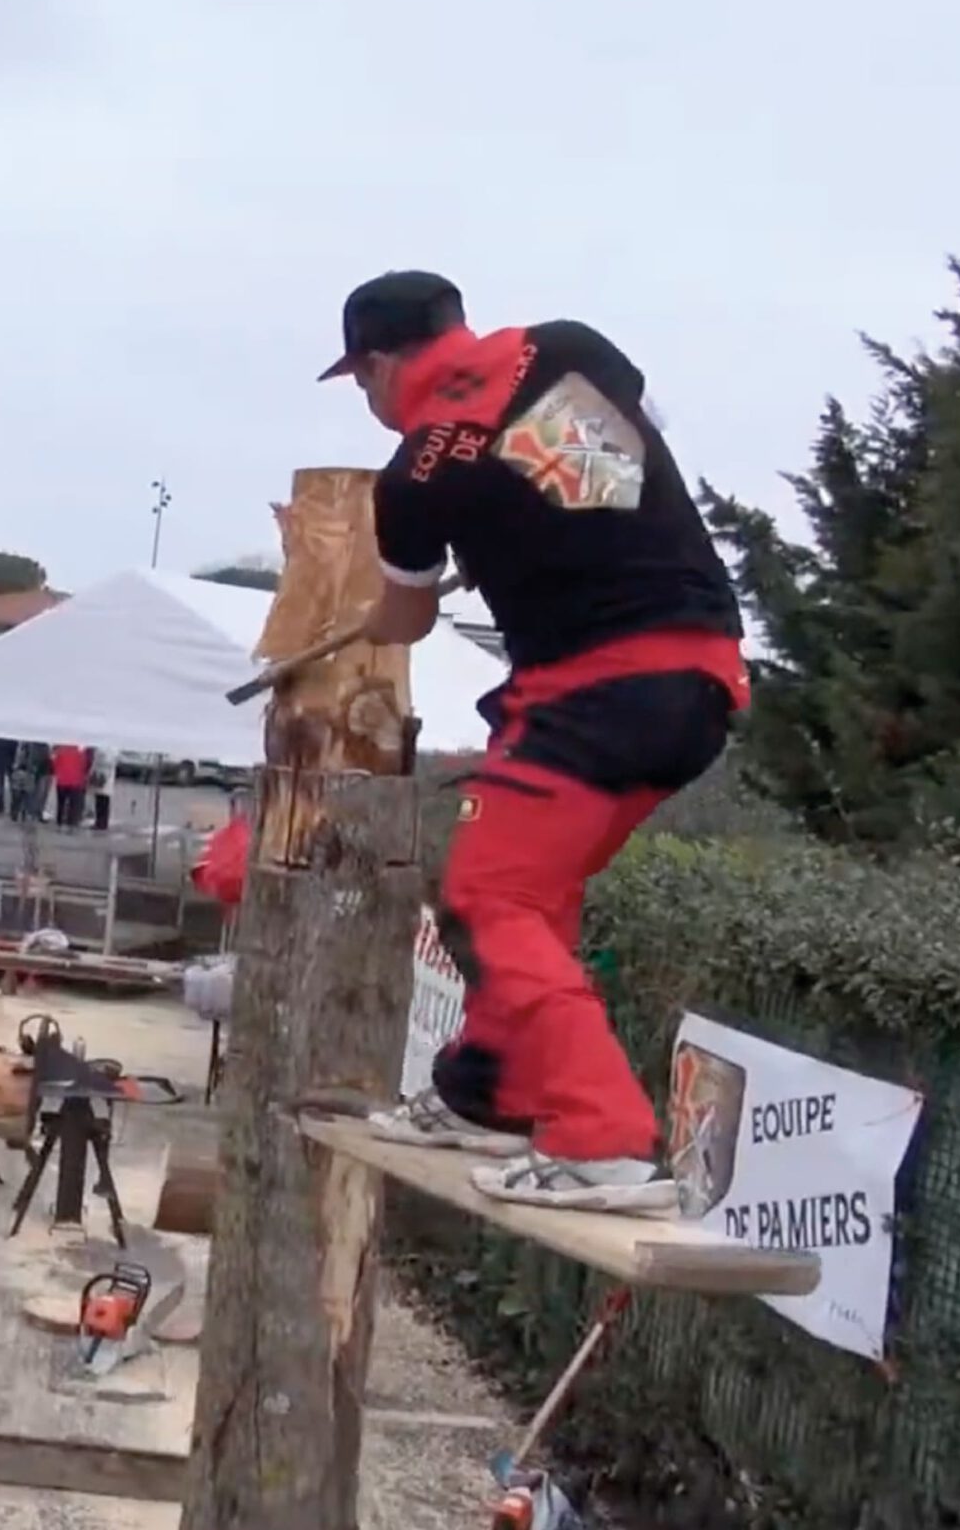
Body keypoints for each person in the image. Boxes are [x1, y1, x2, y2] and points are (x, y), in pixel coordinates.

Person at [329, 270, 748, 1214]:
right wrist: (523, 533)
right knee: (531, 883)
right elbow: (620, 446)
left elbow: (401, 625)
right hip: (702, 675)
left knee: (489, 891)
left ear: (388, 364)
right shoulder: (567, 347)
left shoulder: (416, 476)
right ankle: (493, 1090)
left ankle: (601, 1140)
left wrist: (391, 595)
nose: (368, 401)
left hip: (597, 686)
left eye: (362, 381)